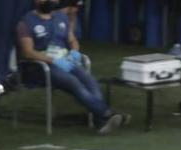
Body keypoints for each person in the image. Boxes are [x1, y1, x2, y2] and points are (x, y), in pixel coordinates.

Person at [17, 1, 127, 133]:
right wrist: (53, 61)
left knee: (89, 80)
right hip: (41, 67)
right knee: (73, 82)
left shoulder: (61, 18)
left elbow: (72, 40)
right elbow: (28, 52)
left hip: (66, 61)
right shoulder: (25, 23)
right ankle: (107, 114)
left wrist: (74, 52)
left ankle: (101, 120)